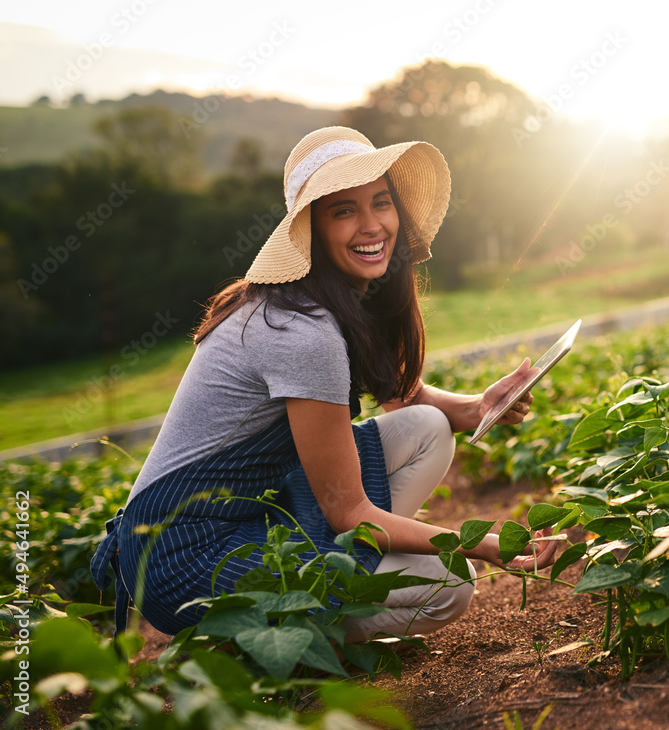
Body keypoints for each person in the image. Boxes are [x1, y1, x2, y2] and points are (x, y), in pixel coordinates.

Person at [91, 126, 557, 643]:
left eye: (381, 202)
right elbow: (347, 511)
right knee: (448, 584)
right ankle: (259, 640)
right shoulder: (300, 330)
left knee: (427, 426)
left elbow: (404, 395)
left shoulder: (331, 299)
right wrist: (480, 542)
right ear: (310, 227)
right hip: (184, 558)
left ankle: (335, 588)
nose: (371, 225)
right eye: (343, 211)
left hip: (237, 513)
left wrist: (476, 407)